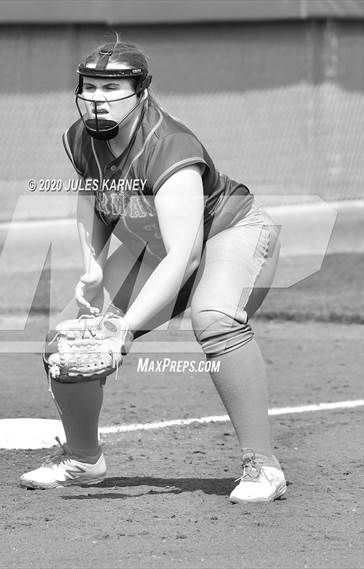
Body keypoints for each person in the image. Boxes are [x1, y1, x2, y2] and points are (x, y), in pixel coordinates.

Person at [20, 39, 287, 503]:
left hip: (230, 230)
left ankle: (263, 466)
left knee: (214, 318)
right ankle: (84, 460)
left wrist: (123, 328)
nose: (98, 96)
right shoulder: (82, 136)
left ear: (141, 91)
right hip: (155, 242)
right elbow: (92, 197)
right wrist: (92, 267)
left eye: (112, 86)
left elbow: (185, 256)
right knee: (68, 336)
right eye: (91, 85)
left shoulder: (169, 146)